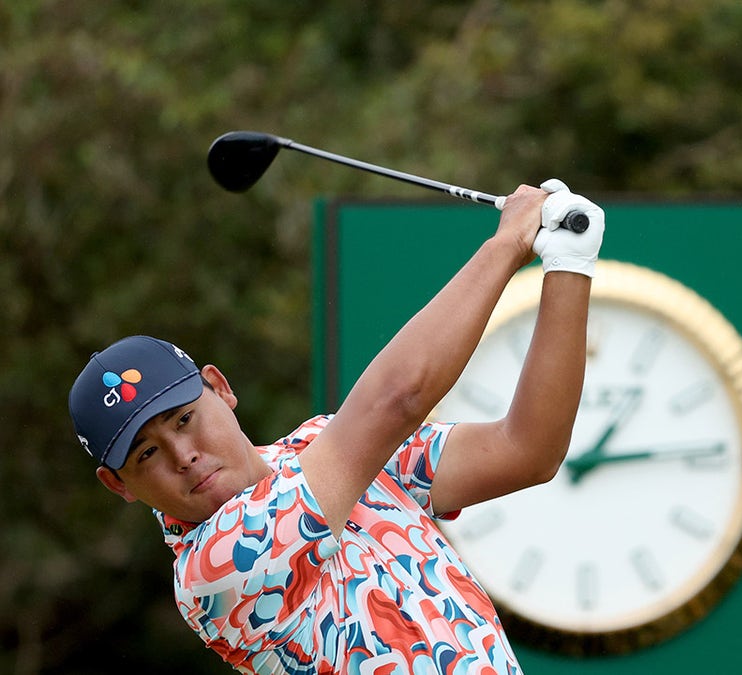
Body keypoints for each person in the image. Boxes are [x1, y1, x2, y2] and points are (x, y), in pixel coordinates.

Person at [68, 180, 604, 674]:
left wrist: (567, 265)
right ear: (119, 485)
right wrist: (507, 243)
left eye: (184, 419)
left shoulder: (317, 444)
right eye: (145, 455)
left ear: (220, 388)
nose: (182, 454)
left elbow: (527, 451)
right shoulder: (214, 572)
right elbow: (397, 400)